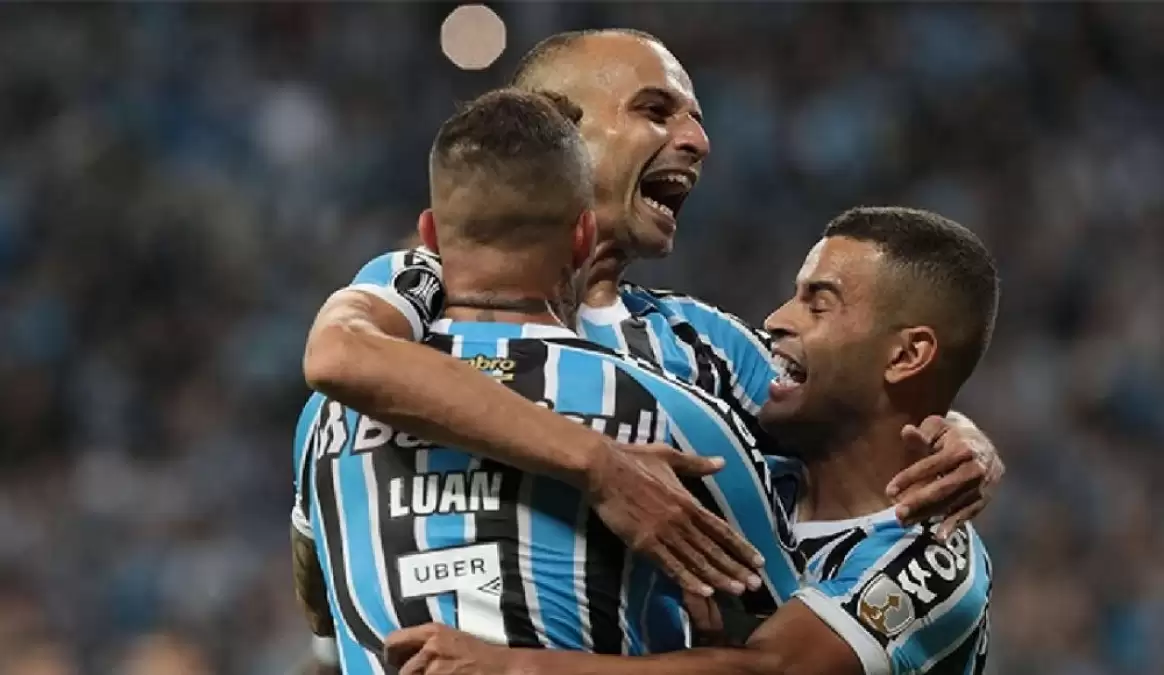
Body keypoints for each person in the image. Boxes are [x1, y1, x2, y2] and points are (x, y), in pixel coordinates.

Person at [301, 28, 1002, 604]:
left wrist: (959, 436)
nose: (698, 141)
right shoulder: (424, 283)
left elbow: (853, 406)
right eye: (656, 111)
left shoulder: (703, 343)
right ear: (556, 128)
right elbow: (339, 358)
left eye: (696, 119)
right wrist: (598, 464)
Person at [294, 88, 797, 674]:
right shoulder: (671, 417)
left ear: (429, 235)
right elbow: (804, 658)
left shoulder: (325, 417)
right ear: (583, 236)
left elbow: (319, 603)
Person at [384, 206, 998, 675]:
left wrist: (508, 666)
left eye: (818, 304)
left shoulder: (935, 556)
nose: (776, 319)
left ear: (907, 355)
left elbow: (772, 670)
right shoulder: (754, 474)